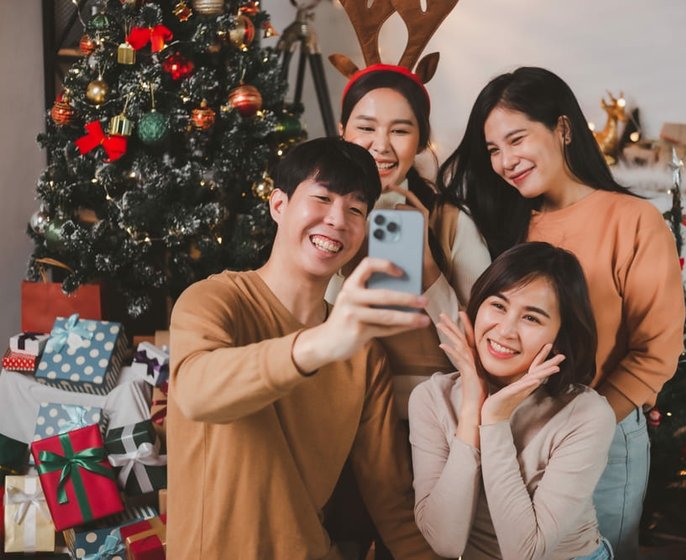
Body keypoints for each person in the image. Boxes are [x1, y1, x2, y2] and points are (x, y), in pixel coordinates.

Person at [438, 67, 686, 559]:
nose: (505, 162)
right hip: (509, 433)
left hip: (601, 439)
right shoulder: (502, 224)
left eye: (516, 139)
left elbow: (656, 351)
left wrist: (583, 426)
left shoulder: (633, 222)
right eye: (492, 150)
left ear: (563, 129)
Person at [166, 137, 441, 559]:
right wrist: (321, 344)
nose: (337, 220)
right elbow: (196, 394)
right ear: (279, 206)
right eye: (322, 198)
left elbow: (392, 500)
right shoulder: (214, 300)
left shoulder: (364, 352)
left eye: (355, 209)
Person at [409, 241, 616, 560]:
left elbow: (527, 552)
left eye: (531, 318)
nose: (505, 330)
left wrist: (494, 419)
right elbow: (445, 542)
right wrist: (470, 410)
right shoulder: (431, 398)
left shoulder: (586, 413)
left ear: (560, 335)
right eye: (498, 306)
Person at [330, 65, 491, 417]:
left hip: (435, 413)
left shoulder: (449, 220)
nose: (381, 145)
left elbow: (485, 346)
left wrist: (426, 262)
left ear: (420, 140)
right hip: (340, 408)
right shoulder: (323, 216)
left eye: (400, 130)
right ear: (342, 132)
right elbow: (307, 323)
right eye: (366, 128)